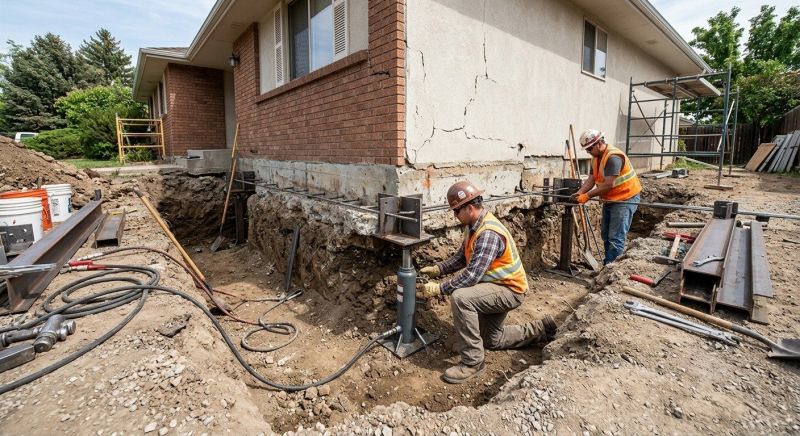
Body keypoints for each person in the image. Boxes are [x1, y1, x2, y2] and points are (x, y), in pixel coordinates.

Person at [417, 181, 557, 384]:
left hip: (509, 291)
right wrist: (439, 269)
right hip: (497, 287)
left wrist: (440, 288)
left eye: (456, 211)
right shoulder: (474, 226)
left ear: (470, 208)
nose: (455, 216)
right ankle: (541, 329)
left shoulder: (488, 233)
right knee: (492, 340)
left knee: (461, 298)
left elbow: (471, 276)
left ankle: (473, 362)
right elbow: (462, 258)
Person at [572, 129, 642, 265]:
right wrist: (580, 192)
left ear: (599, 143)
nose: (588, 152)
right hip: (611, 199)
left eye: (589, 149)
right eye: (586, 150)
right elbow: (591, 179)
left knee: (616, 238)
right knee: (606, 235)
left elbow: (609, 184)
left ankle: (611, 270)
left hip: (625, 198)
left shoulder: (613, 157)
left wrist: (587, 196)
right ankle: (607, 266)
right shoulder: (596, 158)